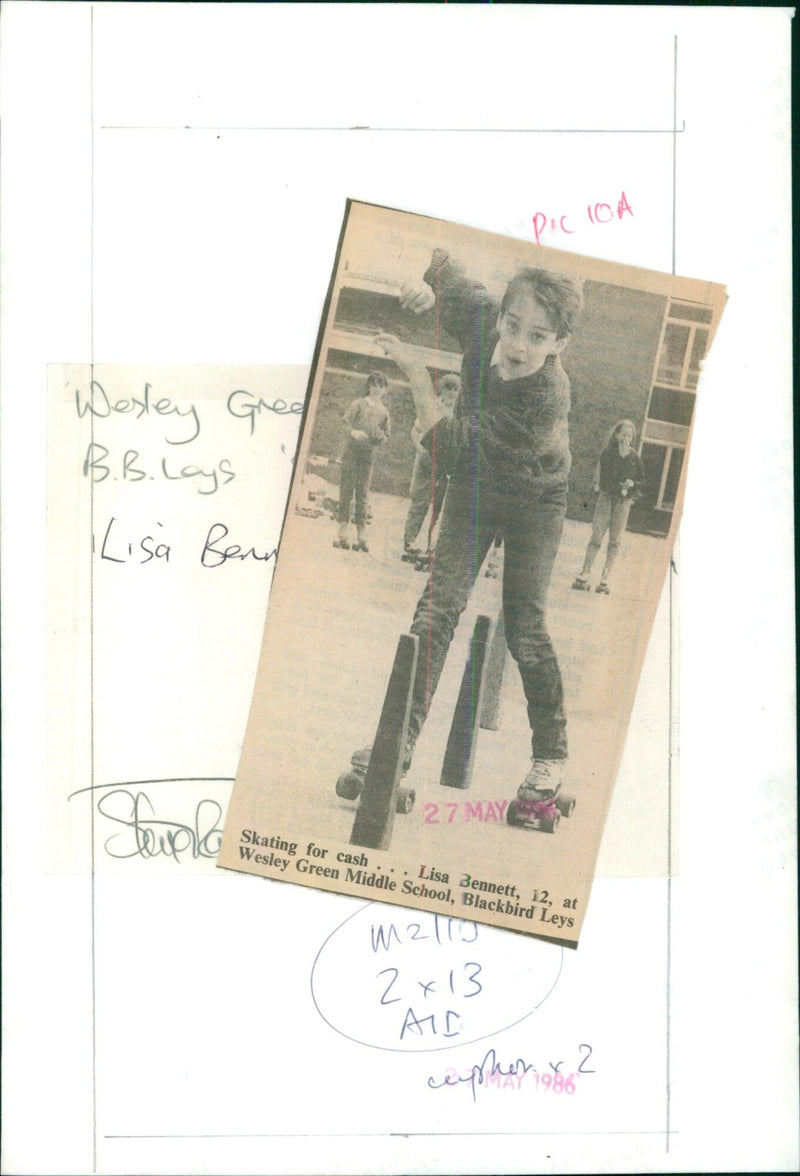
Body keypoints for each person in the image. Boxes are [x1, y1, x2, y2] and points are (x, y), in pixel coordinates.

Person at [361, 248, 584, 804]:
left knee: (524, 623)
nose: (517, 346)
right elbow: (442, 265)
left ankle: (550, 758)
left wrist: (415, 373)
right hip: (479, 486)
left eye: (537, 337)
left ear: (559, 344)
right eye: (513, 327)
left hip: (536, 498)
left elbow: (443, 445)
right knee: (437, 607)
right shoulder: (485, 319)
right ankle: (398, 746)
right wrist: (420, 286)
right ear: (501, 316)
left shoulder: (547, 396)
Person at [374, 333, 460, 561]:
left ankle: (433, 547)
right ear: (442, 390)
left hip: (444, 465)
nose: (451, 394)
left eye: (455, 390)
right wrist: (420, 448)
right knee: (420, 502)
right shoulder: (432, 407)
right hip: (426, 460)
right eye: (448, 389)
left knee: (439, 507)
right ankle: (410, 542)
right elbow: (416, 430)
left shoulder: (458, 414)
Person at [572, 419, 645, 594]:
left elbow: (641, 480)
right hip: (606, 498)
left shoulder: (635, 458)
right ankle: (585, 571)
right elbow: (603, 477)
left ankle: (605, 576)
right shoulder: (608, 453)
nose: (626, 438)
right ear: (617, 435)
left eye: (630, 435)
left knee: (615, 540)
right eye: (623, 434)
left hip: (623, 503)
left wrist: (632, 483)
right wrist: (619, 483)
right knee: (597, 535)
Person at [334, 370, 390, 552]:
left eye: (380, 386)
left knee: (363, 494)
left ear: (385, 390)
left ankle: (361, 533)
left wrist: (378, 435)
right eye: (373, 385)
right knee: (347, 490)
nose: (376, 389)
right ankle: (342, 530)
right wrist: (353, 432)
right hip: (352, 453)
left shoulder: (384, 412)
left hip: (367, 456)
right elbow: (344, 423)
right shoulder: (358, 404)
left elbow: (386, 436)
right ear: (368, 386)